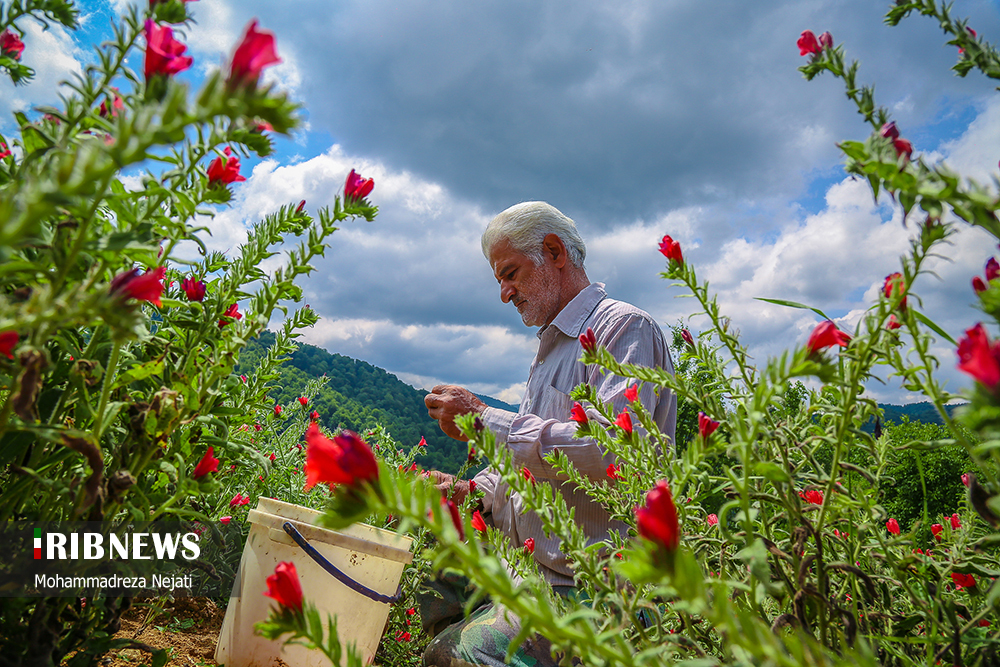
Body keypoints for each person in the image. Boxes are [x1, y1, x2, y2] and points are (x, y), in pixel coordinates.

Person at [422, 201, 677, 667]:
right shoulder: (553, 348)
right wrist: (471, 491)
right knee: (430, 579)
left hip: (594, 592)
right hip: (534, 569)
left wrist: (483, 419)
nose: (504, 292)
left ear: (555, 252)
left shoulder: (624, 329)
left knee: (455, 656)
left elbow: (613, 451)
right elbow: (532, 465)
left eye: (510, 273)